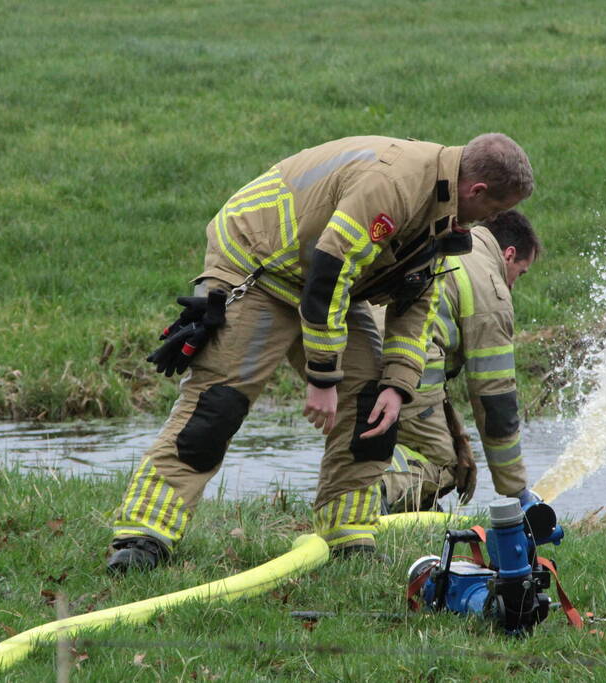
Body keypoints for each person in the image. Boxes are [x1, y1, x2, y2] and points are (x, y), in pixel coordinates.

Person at [108, 134, 534, 573]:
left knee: (370, 403)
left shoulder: (447, 211)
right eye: (495, 210)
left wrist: (397, 382)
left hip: (328, 283)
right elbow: (330, 271)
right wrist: (324, 377)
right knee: (217, 404)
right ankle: (145, 535)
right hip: (261, 265)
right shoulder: (396, 183)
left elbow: (418, 300)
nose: (493, 221)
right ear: (476, 190)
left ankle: (348, 535)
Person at [381, 210, 541, 513]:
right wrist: (516, 489)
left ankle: (401, 509)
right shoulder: (492, 290)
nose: (514, 286)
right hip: (406, 365)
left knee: (393, 439)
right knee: (443, 463)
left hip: (361, 350)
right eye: (520, 273)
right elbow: (495, 397)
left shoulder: (455, 245)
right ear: (508, 255)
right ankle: (374, 490)